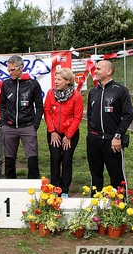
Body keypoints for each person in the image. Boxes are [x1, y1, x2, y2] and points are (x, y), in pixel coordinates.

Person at [87, 60, 133, 194]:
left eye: (98, 69)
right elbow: (90, 115)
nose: (95, 71)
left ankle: (120, 208)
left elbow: (128, 116)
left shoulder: (120, 91)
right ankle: (95, 208)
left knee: (116, 176)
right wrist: (91, 134)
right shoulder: (93, 92)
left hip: (112, 141)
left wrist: (117, 136)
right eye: (95, 69)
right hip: (94, 140)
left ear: (109, 71)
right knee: (95, 177)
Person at [0, 55, 43, 179]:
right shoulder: (6, 84)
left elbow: (39, 106)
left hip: (28, 126)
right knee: (9, 160)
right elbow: (2, 104)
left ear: (21, 68)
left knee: (32, 159)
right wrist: (3, 122)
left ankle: (33, 188)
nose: (10, 72)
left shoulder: (33, 84)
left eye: (13, 70)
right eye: (9, 70)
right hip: (9, 127)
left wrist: (35, 124)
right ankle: (10, 186)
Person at [44, 68, 83, 197]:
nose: (55, 82)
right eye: (55, 79)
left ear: (67, 81)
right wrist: (52, 131)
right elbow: (47, 112)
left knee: (66, 159)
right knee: (55, 159)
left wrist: (68, 136)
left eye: (59, 79)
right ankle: (55, 188)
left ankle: (65, 189)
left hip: (70, 134)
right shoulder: (51, 93)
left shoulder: (76, 96)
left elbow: (78, 117)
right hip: (54, 133)